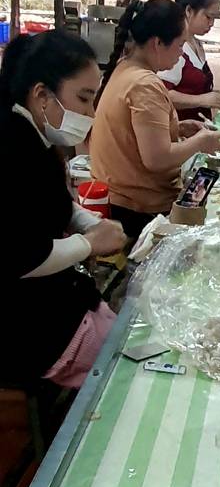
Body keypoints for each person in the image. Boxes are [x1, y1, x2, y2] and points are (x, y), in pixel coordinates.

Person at [0, 31, 127, 386]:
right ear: (42, 95)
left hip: (49, 292)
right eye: (84, 99)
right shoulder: (10, 148)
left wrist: (88, 221)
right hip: (19, 323)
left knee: (125, 328)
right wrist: (89, 244)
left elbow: (49, 201)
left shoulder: (33, 135)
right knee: (124, 366)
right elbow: (20, 256)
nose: (90, 113)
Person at [91, 0, 220, 238]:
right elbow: (157, 159)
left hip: (121, 198)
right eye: (180, 45)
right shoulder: (145, 84)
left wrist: (177, 128)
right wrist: (200, 142)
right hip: (136, 208)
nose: (181, 54)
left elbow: (133, 134)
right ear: (158, 43)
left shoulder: (127, 67)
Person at [158, 0, 220, 122]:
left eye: (215, 18)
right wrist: (202, 99)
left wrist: (215, 97)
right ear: (189, 11)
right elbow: (162, 95)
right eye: (208, 17)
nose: (212, 23)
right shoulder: (176, 49)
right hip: (179, 129)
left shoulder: (197, 44)